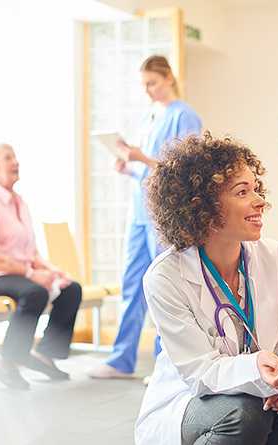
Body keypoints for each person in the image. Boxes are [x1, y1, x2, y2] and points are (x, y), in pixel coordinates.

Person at [134, 133, 278, 445]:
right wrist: (258, 368)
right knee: (245, 416)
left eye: (256, 188)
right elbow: (200, 371)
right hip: (189, 401)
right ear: (201, 206)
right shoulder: (166, 277)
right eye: (242, 192)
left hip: (261, 393)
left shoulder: (277, 259)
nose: (260, 201)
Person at [89, 55, 202, 379]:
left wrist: (143, 157)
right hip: (139, 212)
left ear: (168, 78)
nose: (148, 91)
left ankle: (167, 364)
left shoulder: (185, 116)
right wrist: (130, 166)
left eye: (152, 83)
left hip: (163, 214)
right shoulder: (150, 117)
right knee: (132, 283)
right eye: (144, 85)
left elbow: (185, 170)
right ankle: (121, 359)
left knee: (164, 285)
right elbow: (150, 170)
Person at [0, 144, 82, 390]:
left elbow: (30, 252)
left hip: (15, 273)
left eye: (15, 157)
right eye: (7, 158)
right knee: (35, 292)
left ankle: (45, 354)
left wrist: (54, 271)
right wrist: (32, 274)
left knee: (70, 288)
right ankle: (6, 360)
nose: (15, 162)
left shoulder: (19, 202)